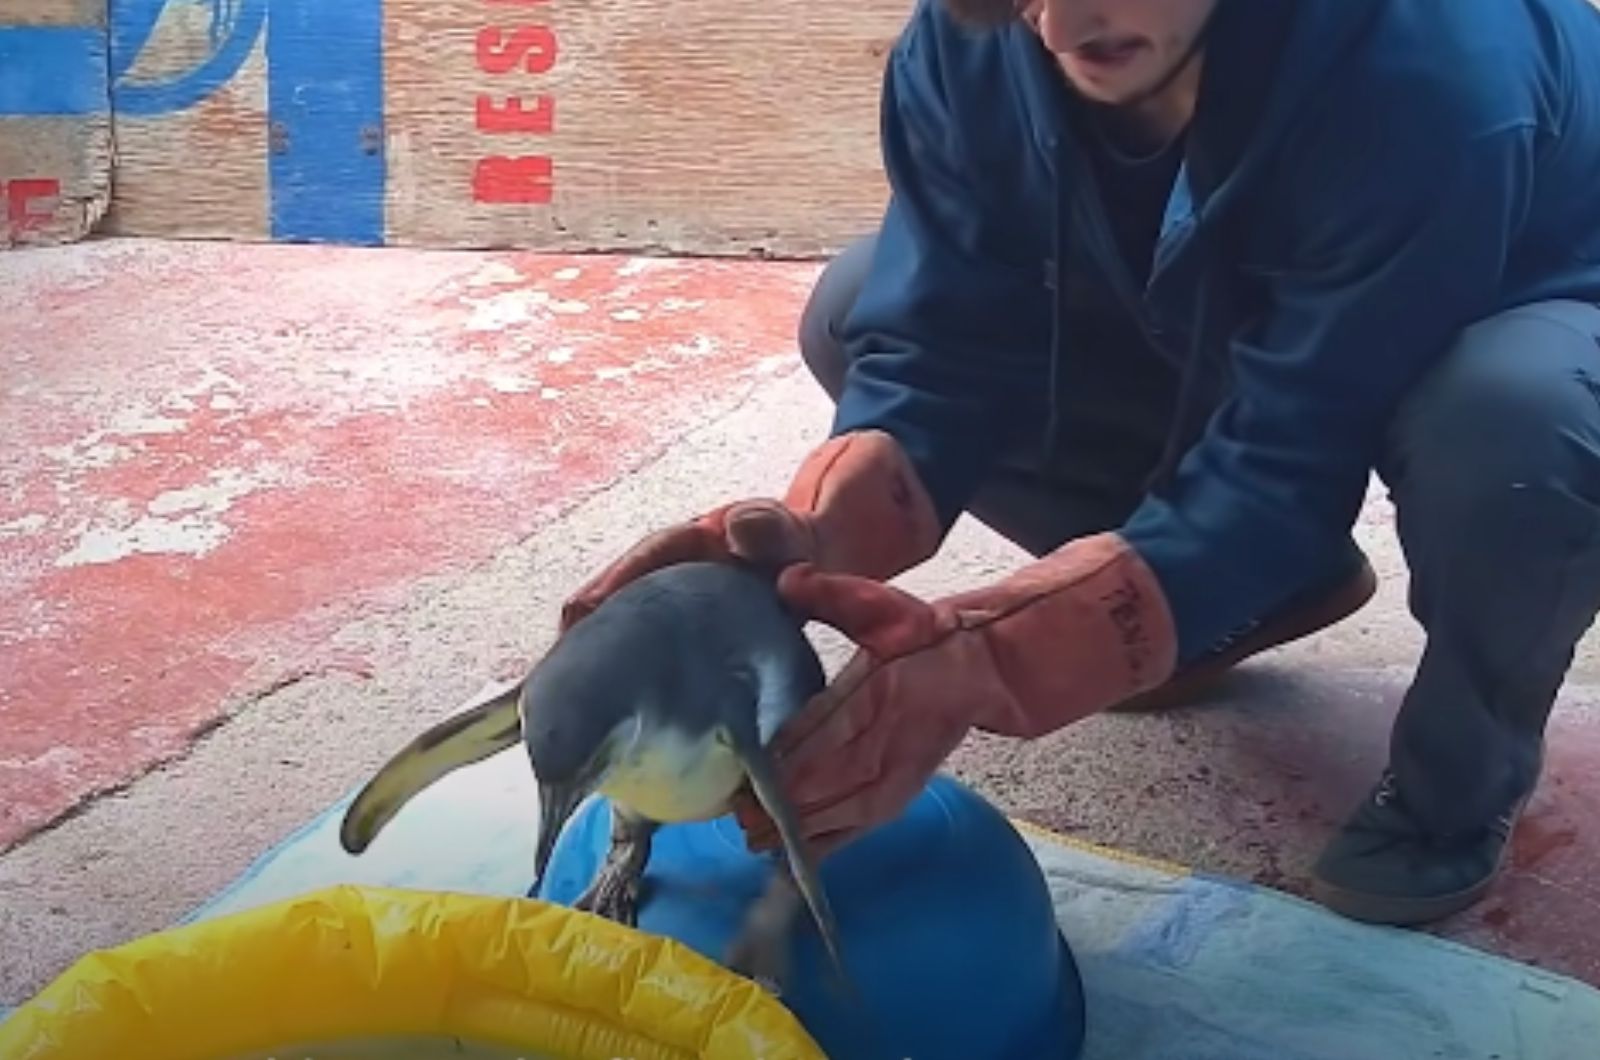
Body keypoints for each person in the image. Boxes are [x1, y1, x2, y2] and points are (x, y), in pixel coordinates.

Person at [560, 0, 1600, 928]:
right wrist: (818, 534)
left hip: (1530, 287)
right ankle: (1225, 597)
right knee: (858, 302)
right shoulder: (978, 43)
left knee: (1508, 432)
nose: (1057, 26)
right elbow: (942, 346)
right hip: (1273, 273)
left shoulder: (1432, 68)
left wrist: (1004, 656)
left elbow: (1294, 448)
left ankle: (1458, 784)